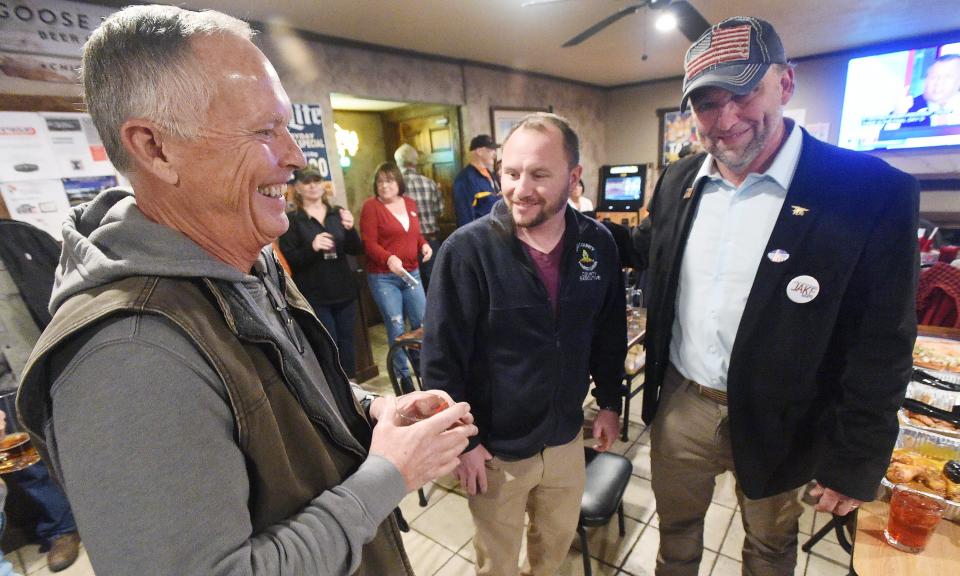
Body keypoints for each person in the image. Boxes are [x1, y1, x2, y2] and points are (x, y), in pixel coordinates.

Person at [16, 6, 476, 575]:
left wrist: (373, 408)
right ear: (155, 147)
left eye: (285, 126)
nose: (297, 156)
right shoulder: (128, 354)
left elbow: (283, 396)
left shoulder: (246, 255)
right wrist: (391, 475)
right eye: (263, 131)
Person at [643, 16, 918, 575]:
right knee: (675, 533)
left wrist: (857, 458)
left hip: (787, 414)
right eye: (706, 104)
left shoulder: (870, 192)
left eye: (742, 94)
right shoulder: (678, 181)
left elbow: (882, 343)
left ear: (784, 84)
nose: (725, 121)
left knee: (769, 548)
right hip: (684, 405)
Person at [423, 113, 627, 576]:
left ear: (574, 178)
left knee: (553, 554)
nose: (520, 188)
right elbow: (440, 363)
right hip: (495, 450)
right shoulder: (466, 251)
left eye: (539, 174)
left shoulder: (598, 243)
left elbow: (609, 332)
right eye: (511, 173)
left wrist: (611, 402)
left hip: (565, 440)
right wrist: (464, 442)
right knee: (496, 563)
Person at [0, 220, 82, 573]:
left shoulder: (21, 238)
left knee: (81, 445)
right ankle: (62, 529)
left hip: (46, 372)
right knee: (27, 466)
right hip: (4, 388)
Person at [278, 169, 363, 379]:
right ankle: (336, 390)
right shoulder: (293, 220)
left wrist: (351, 229)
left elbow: (355, 249)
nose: (313, 185)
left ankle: (354, 389)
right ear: (297, 187)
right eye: (307, 182)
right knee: (328, 344)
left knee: (347, 341)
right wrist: (313, 247)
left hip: (344, 289)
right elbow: (290, 261)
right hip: (315, 294)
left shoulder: (337, 212)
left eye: (317, 180)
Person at [360, 162, 432, 389]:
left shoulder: (409, 203)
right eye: (380, 181)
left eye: (389, 180)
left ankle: (423, 371)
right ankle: (404, 378)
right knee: (397, 326)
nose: (384, 186)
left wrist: (424, 245)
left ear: (398, 182)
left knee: (422, 323)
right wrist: (388, 258)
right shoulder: (372, 207)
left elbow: (414, 233)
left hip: (412, 273)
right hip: (385, 277)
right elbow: (369, 243)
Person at [394, 144, 444, 290]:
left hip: (406, 242)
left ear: (398, 162)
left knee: (411, 286)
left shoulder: (395, 187)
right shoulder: (429, 183)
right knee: (435, 284)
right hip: (431, 240)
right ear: (415, 162)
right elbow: (440, 211)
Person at [891, 54, 960, 128]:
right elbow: (886, 137)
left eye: (947, 77)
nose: (938, 82)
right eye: (934, 76)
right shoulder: (907, 109)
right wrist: (897, 117)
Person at [453, 134, 500, 227]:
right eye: (490, 150)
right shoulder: (465, 179)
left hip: (496, 232)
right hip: (481, 235)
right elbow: (464, 216)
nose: (495, 154)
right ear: (479, 151)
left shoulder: (491, 174)